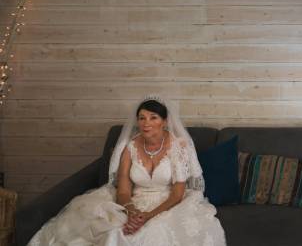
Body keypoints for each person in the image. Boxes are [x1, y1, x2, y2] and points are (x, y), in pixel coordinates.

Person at [29, 94, 226, 245]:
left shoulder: (179, 146)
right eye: (141, 117)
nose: (146, 123)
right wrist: (131, 210)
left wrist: (148, 216)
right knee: (112, 230)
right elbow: (122, 190)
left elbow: (177, 194)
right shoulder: (130, 146)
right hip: (132, 202)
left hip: (167, 203)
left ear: (165, 121)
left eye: (153, 117)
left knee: (151, 235)